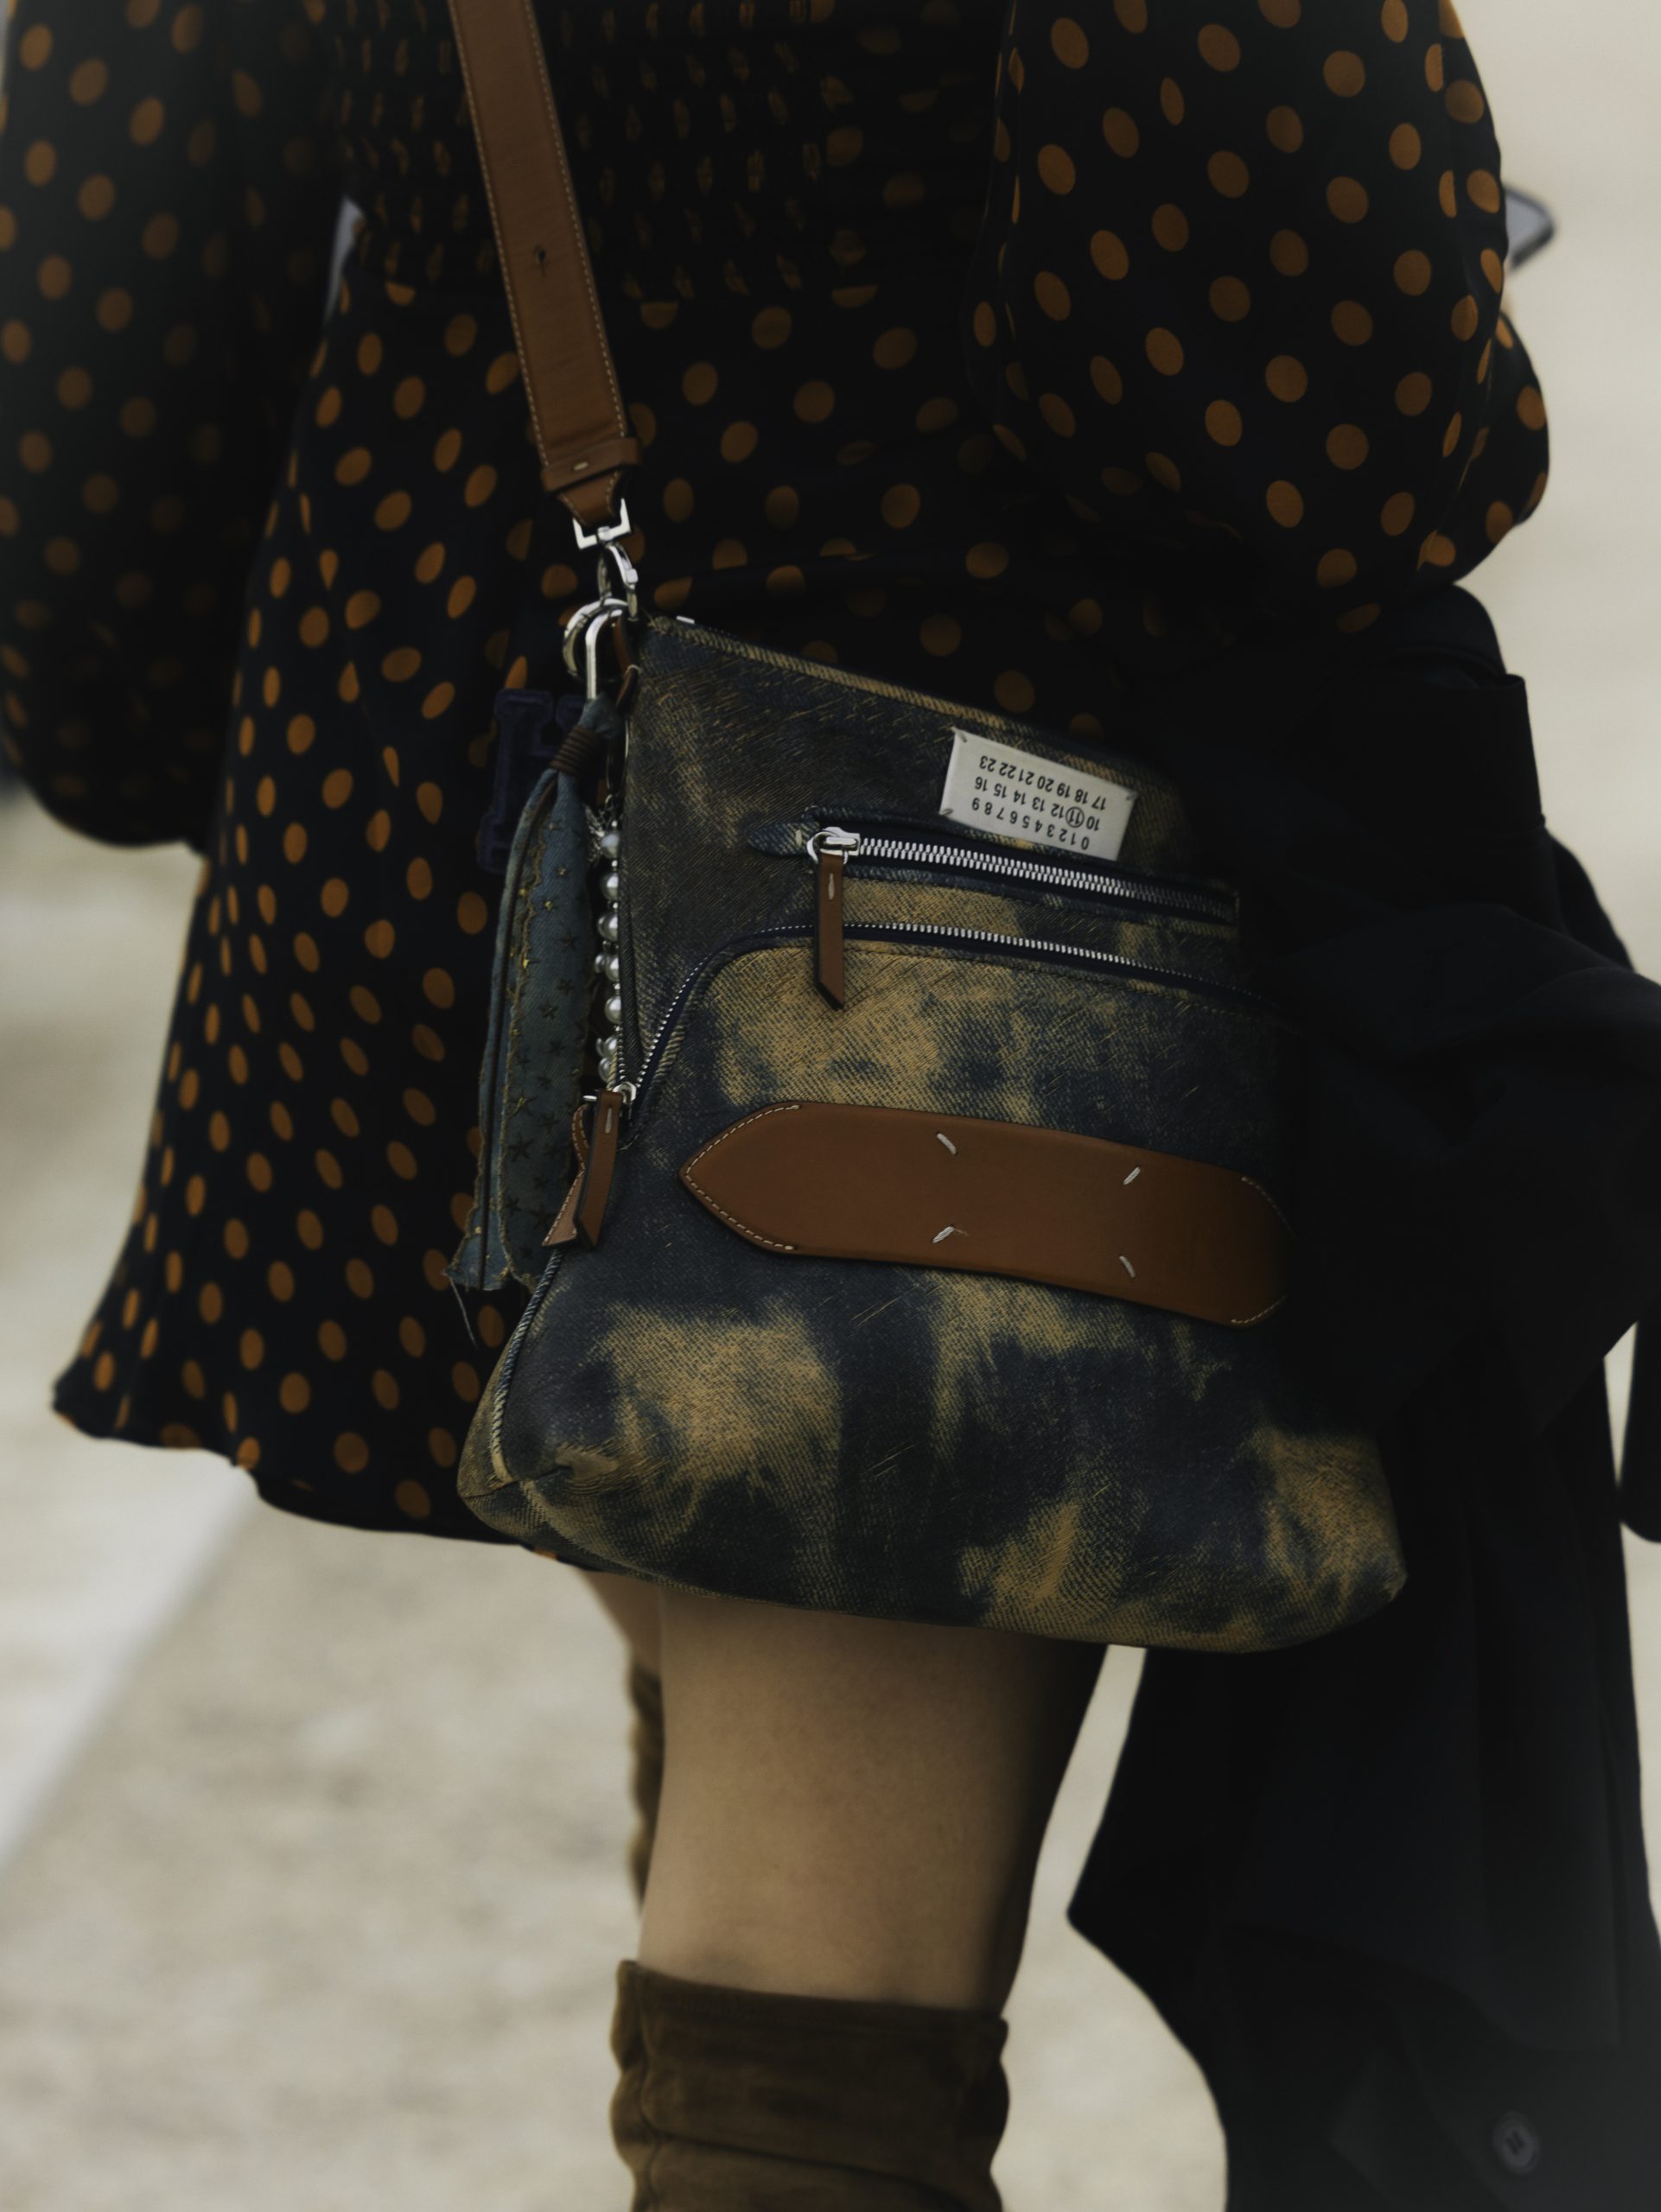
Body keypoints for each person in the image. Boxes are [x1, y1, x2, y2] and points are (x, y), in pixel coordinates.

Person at [4, 4, 1661, 2206]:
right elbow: (1305, 407)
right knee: (808, 2043)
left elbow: (93, 295)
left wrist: (219, 738)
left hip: (437, 794)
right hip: (921, 894)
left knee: (749, 1744)